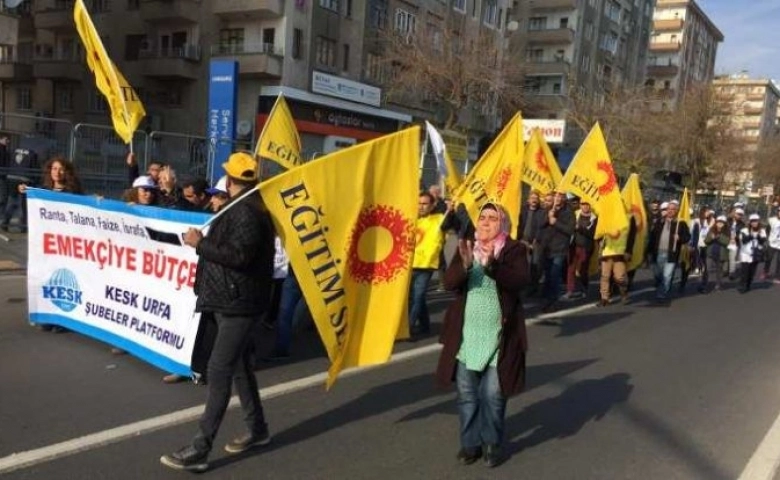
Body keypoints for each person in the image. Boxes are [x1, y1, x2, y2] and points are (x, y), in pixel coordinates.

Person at [160, 152, 275, 472]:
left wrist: (199, 244)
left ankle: (200, 447)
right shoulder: (240, 208)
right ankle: (258, 429)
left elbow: (238, 256)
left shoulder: (248, 212)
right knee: (238, 368)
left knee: (219, 369)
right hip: (229, 299)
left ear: (232, 180)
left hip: (238, 303)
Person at [436, 202, 529, 469]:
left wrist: (492, 266)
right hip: (467, 336)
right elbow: (449, 283)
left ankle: (491, 443)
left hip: (500, 337)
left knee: (492, 395)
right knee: (467, 395)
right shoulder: (467, 247)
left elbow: (519, 281)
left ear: (503, 223)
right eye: (483, 217)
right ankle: (470, 445)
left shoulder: (513, 250)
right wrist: (464, 266)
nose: (486, 222)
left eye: (493, 218)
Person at [408, 192, 458, 336]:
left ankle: (409, 327)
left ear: (432, 205)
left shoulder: (439, 219)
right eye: (419, 203)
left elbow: (451, 224)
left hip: (426, 265)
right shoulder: (413, 219)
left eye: (425, 204)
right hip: (411, 263)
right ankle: (425, 326)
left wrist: (451, 211)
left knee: (417, 297)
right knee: (418, 297)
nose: (421, 207)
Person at [538, 191, 575, 312]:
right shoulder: (548, 209)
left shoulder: (569, 212)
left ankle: (552, 301)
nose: (558, 198)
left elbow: (570, 230)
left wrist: (556, 222)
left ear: (564, 199)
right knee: (548, 275)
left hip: (559, 249)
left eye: (561, 196)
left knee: (554, 275)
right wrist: (548, 217)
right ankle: (547, 299)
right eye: (556, 196)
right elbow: (539, 224)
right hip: (547, 248)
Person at [648, 201, 691, 303]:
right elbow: (652, 237)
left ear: (676, 211)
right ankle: (662, 284)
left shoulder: (680, 224)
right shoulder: (660, 222)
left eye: (673, 209)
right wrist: (648, 251)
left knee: (667, 275)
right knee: (658, 273)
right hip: (658, 252)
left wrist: (679, 238)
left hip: (671, 254)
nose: (670, 211)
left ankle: (661, 293)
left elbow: (687, 238)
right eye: (669, 209)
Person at [565, 200, 597, 300]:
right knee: (571, 269)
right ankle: (570, 290)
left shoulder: (594, 218)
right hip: (573, 246)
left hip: (586, 247)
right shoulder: (575, 214)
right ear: (580, 205)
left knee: (583, 270)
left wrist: (579, 228)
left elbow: (592, 234)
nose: (585, 206)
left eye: (587, 204)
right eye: (583, 204)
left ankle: (584, 289)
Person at [518, 190, 545, 296]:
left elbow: (541, 227)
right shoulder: (523, 210)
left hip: (536, 242)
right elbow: (519, 225)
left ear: (538, 201)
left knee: (535, 265)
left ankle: (534, 286)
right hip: (523, 240)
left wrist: (535, 241)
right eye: (532, 198)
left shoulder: (541, 212)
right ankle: (525, 285)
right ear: (528, 200)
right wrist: (521, 239)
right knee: (524, 264)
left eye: (536, 198)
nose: (534, 200)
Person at [737, 214, 767, 293]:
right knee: (744, 271)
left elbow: (762, 241)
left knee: (752, 271)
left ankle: (748, 284)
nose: (754, 223)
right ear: (750, 222)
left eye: (756, 221)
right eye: (752, 221)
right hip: (745, 254)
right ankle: (742, 286)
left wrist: (758, 236)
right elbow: (743, 241)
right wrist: (751, 235)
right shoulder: (744, 230)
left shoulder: (762, 230)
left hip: (756, 254)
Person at [700, 216, 730, 293]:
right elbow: (706, 241)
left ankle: (718, 285)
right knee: (707, 269)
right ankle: (705, 285)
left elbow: (726, 242)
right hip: (710, 253)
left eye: (722, 222)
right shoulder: (711, 230)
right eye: (718, 222)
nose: (719, 224)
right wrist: (711, 237)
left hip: (721, 254)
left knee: (719, 271)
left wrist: (718, 237)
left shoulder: (727, 231)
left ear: (724, 224)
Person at [764, 208, 780, 283]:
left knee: (779, 261)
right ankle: (765, 272)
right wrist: (768, 239)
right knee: (768, 259)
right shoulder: (772, 220)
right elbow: (767, 230)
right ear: (777, 212)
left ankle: (777, 277)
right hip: (772, 243)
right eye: (779, 211)